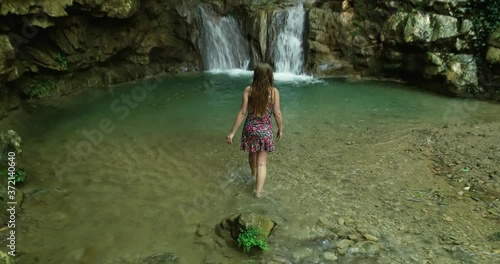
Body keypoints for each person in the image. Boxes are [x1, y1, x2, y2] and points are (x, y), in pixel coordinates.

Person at [226, 63, 283, 198]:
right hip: (265, 129)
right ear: (270, 76)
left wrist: (232, 132)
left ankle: (253, 175)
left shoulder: (248, 90)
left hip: (250, 129)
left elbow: (242, 113)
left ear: (255, 75)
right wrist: (280, 128)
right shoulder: (274, 92)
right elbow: (277, 114)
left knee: (252, 154)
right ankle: (258, 192)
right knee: (262, 163)